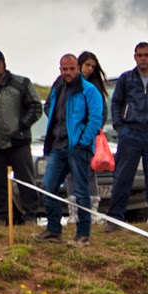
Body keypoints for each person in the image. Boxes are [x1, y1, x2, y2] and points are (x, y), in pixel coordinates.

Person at [31, 54, 104, 247]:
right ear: (60, 70)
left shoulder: (90, 90)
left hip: (78, 148)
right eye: (64, 69)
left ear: (78, 68)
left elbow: (96, 119)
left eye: (71, 68)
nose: (68, 72)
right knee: (48, 186)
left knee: (81, 190)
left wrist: (83, 142)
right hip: (57, 146)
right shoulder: (57, 90)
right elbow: (52, 112)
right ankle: (54, 229)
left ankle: (83, 234)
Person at [105, 42, 148, 233]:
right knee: (122, 177)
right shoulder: (126, 79)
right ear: (134, 57)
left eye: (146, 55)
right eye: (139, 55)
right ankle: (115, 217)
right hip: (131, 133)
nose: (143, 58)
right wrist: (120, 127)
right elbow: (116, 103)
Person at [0, 49, 43, 227]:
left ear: (4, 63)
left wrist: (21, 126)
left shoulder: (21, 83)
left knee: (25, 180)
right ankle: (1, 218)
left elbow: (36, 107)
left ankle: (30, 217)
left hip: (19, 142)